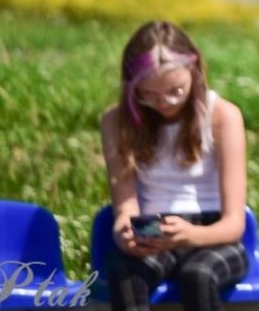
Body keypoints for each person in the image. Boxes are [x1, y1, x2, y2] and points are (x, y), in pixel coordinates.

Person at [99, 21, 249, 311]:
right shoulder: (117, 122)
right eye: (148, 95)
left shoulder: (223, 116)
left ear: (194, 69)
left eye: (175, 91)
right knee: (125, 272)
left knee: (199, 275)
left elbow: (234, 224)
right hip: (154, 229)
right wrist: (125, 234)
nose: (164, 103)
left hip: (214, 234)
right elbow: (125, 207)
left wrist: (194, 235)